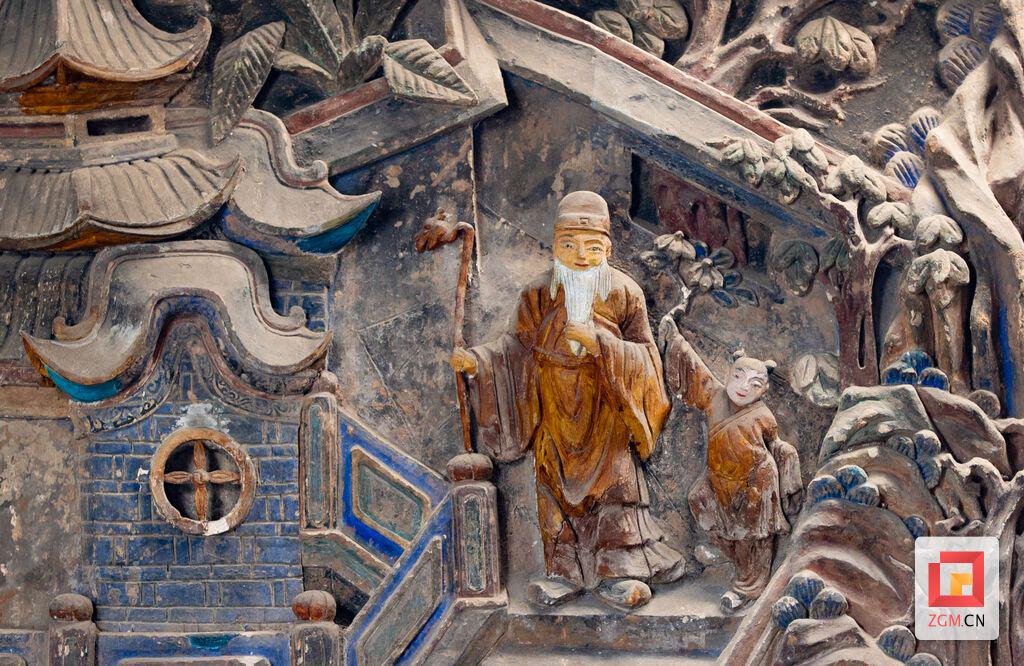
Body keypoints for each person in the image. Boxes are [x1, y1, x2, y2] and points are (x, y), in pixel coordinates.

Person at [450, 191, 684, 611]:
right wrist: (479, 362)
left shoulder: (624, 293)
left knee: (615, 487)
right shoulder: (539, 293)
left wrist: (602, 345)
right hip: (553, 406)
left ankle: (619, 571)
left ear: (608, 250)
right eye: (569, 245)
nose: (580, 256)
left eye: (592, 247)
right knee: (553, 488)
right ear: (555, 246)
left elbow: (648, 358)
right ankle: (563, 574)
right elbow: (515, 347)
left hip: (606, 407)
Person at [658, 313, 802, 612]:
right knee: (698, 500)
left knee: (754, 534)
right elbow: (694, 371)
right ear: (729, 373)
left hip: (756, 480)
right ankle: (732, 559)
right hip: (719, 478)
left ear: (763, 390)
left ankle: (748, 587)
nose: (743, 387)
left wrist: (787, 457)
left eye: (754, 383)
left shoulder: (763, 416)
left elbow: (774, 445)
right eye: (738, 377)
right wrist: (674, 339)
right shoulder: (714, 397)